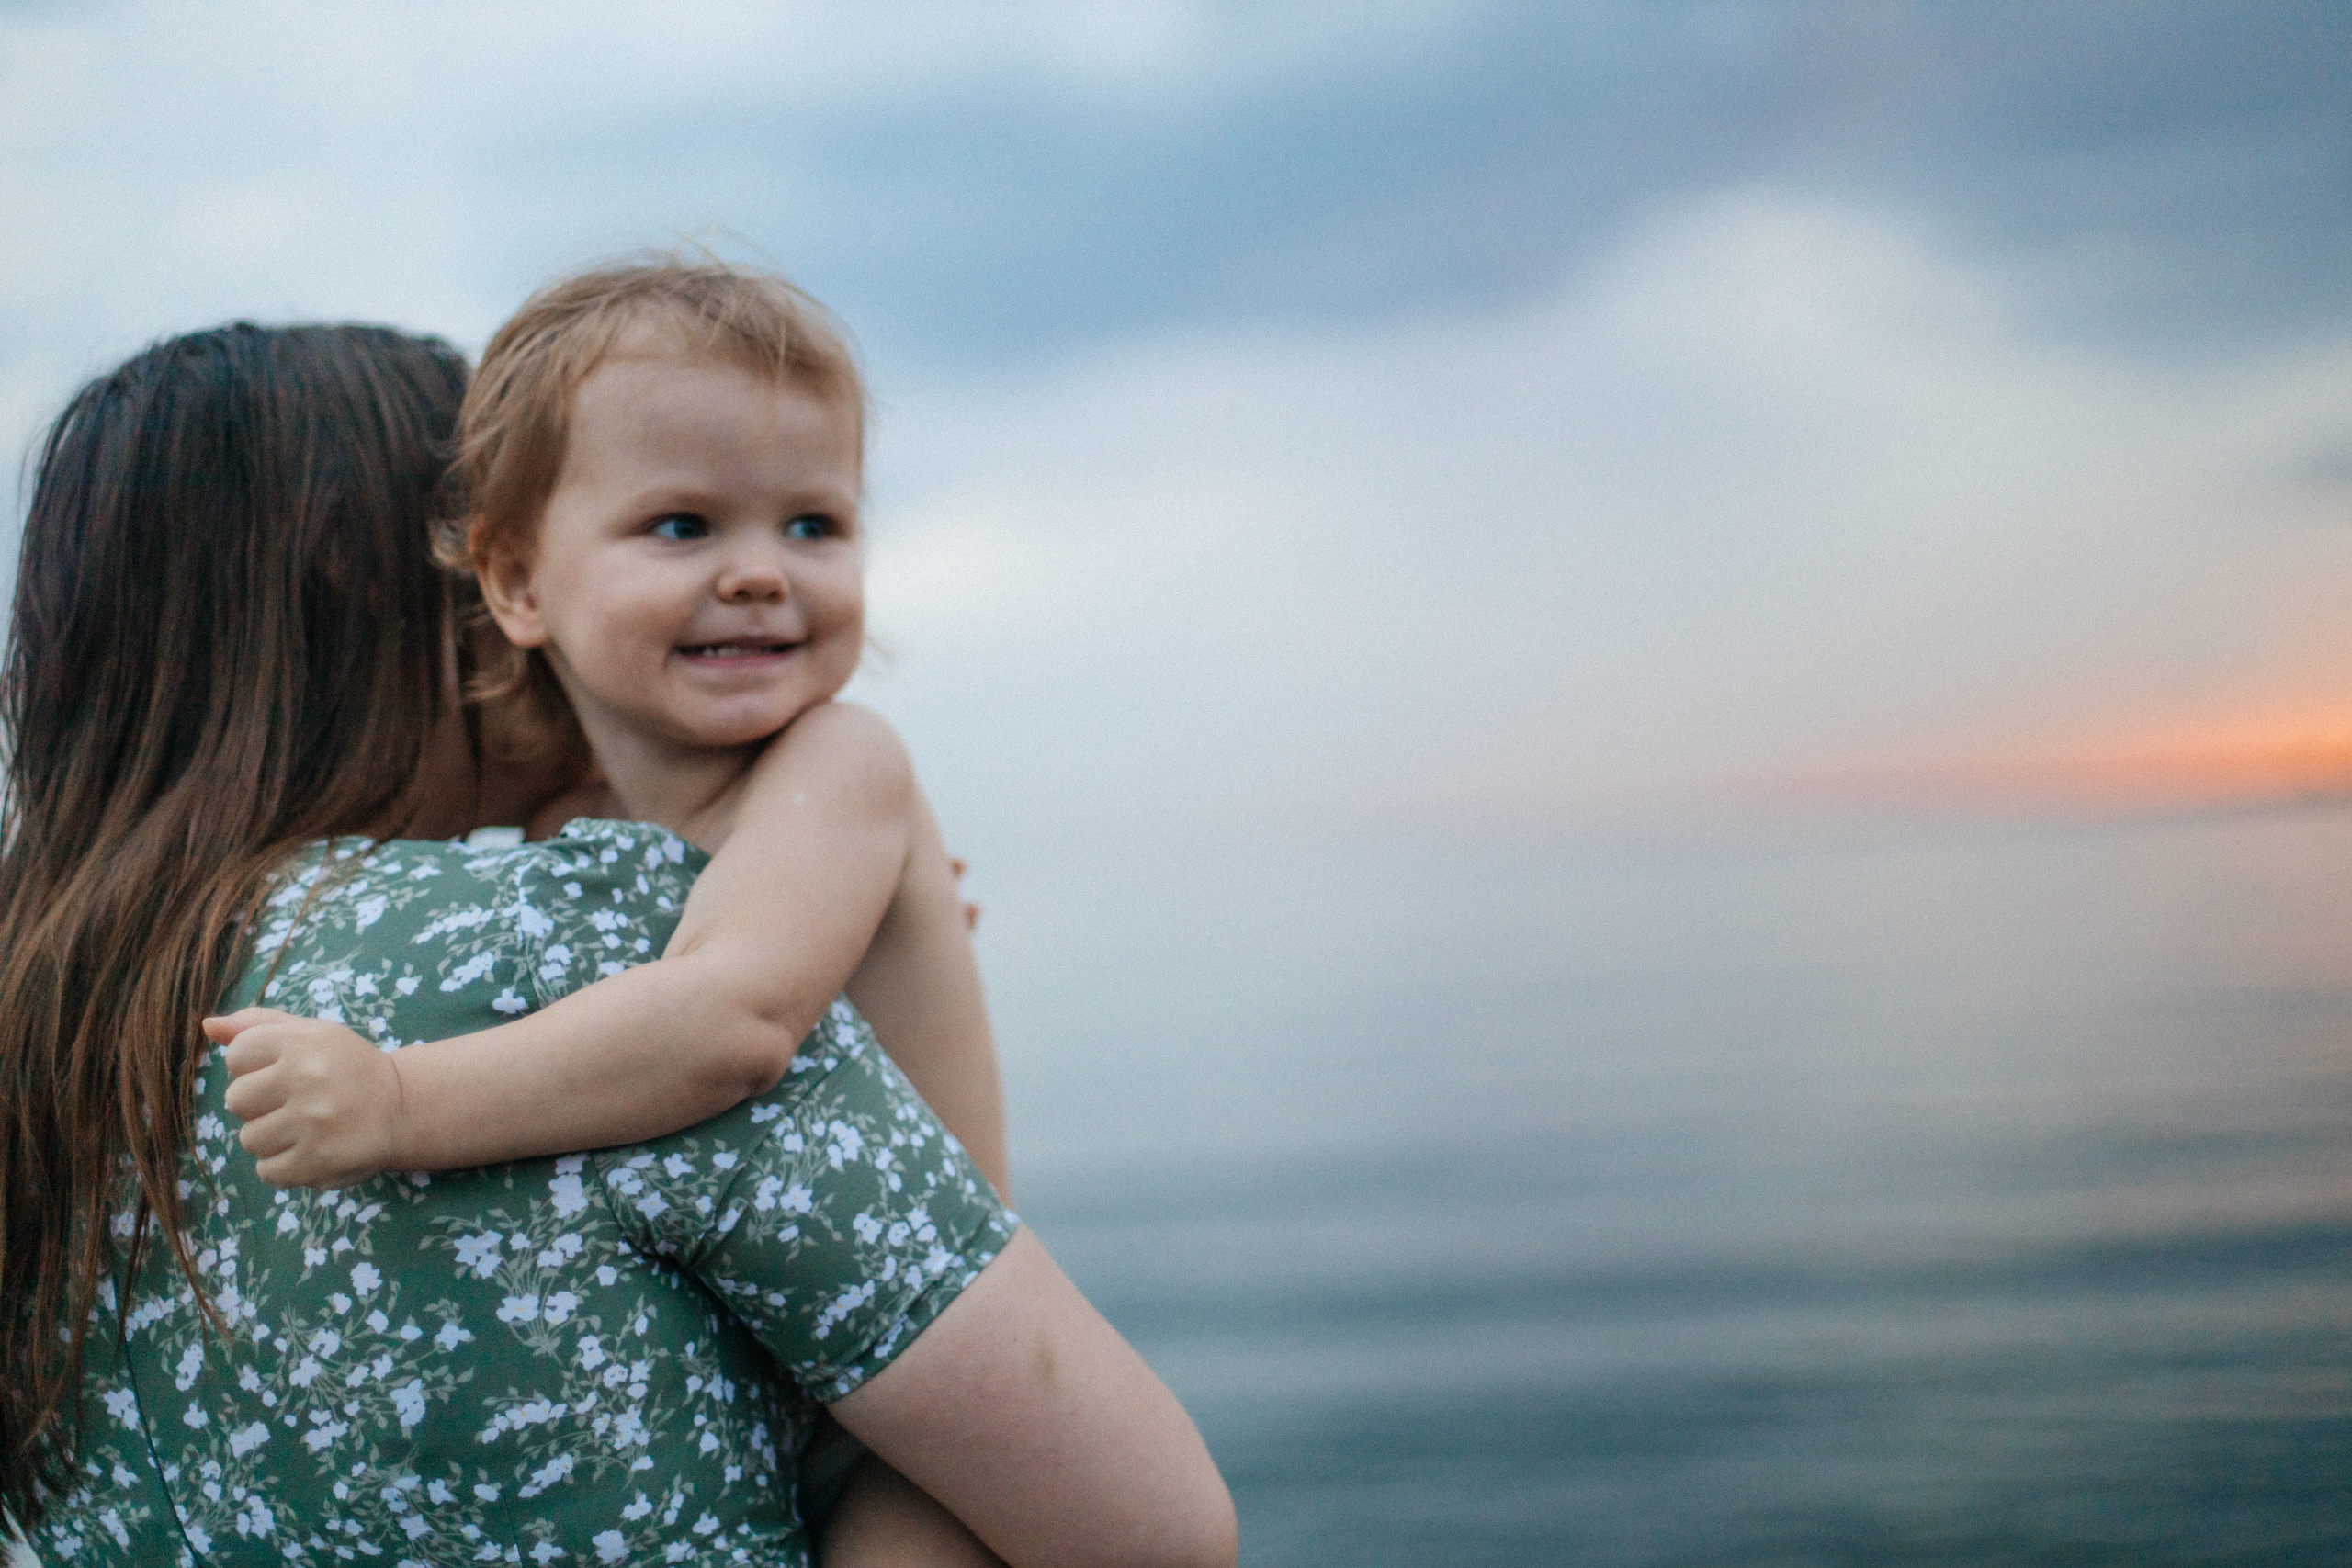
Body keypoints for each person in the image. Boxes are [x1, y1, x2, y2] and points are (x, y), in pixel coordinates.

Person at [0, 322, 1235, 1566]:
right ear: (444, 592)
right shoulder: (586, 935)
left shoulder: (38, 1009)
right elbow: (1153, 1528)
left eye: (814, 524)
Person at [209, 262, 1013, 1221]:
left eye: (813, 524)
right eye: (683, 526)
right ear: (517, 585)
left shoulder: (844, 761)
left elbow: (731, 1024)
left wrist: (398, 1098)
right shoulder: (572, 818)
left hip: (920, 1326)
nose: (760, 571)